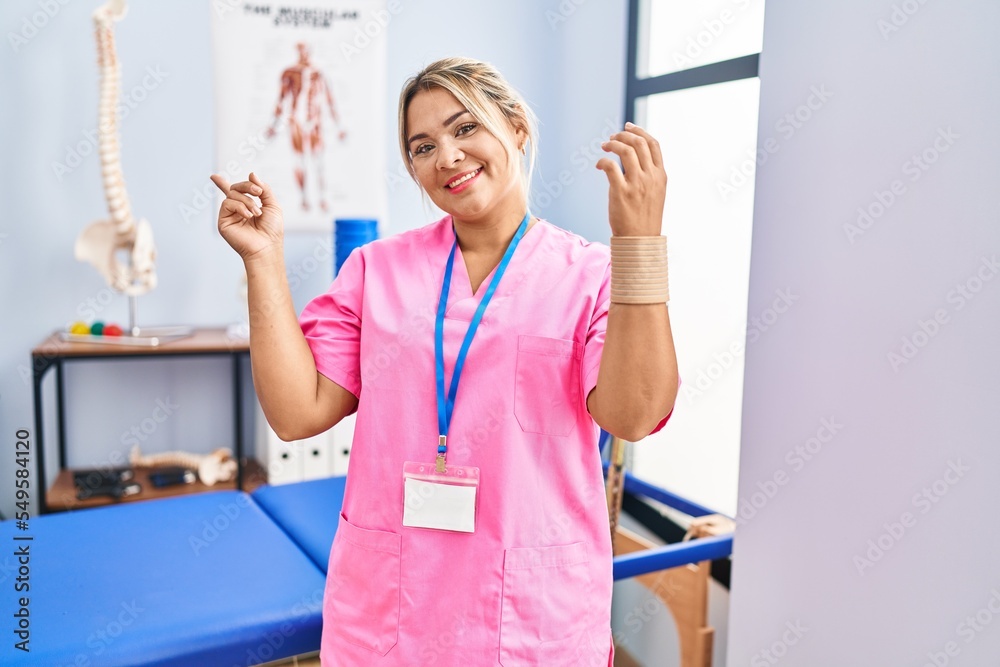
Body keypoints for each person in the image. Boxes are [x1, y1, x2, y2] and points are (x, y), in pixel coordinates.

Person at [211, 56, 678, 666]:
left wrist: (639, 243)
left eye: (465, 129)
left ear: (516, 127)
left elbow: (634, 414)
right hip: (391, 614)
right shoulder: (375, 272)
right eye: (422, 146)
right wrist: (263, 260)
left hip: (531, 617)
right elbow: (297, 414)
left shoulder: (592, 276)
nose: (447, 157)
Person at [265, 41, 347, 212]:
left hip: (314, 121)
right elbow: (281, 99)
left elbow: (330, 99)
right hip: (296, 121)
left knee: (318, 161)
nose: (304, 53)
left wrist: (339, 126)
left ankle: (322, 198)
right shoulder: (289, 72)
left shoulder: (318, 73)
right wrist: (274, 125)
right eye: (301, 50)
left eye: (307, 50)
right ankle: (303, 198)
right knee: (300, 161)